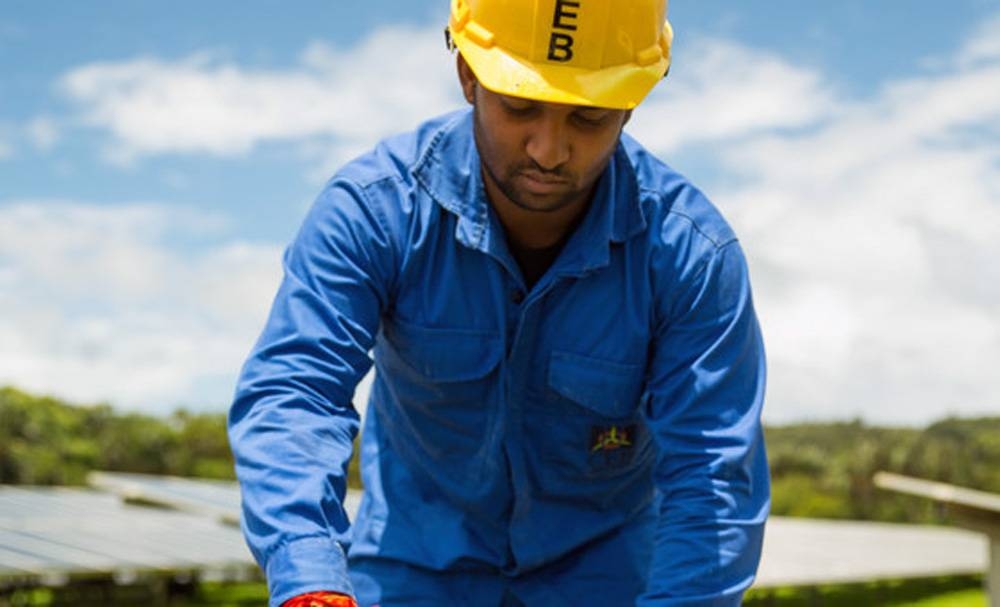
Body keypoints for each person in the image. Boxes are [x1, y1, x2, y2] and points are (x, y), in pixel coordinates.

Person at [228, 0, 770, 605]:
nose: (548, 150)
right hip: (412, 570)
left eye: (588, 118)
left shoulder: (691, 255)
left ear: (632, 102)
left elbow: (712, 476)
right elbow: (296, 394)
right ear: (468, 75)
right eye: (520, 106)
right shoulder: (372, 212)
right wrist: (309, 579)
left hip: (608, 581)